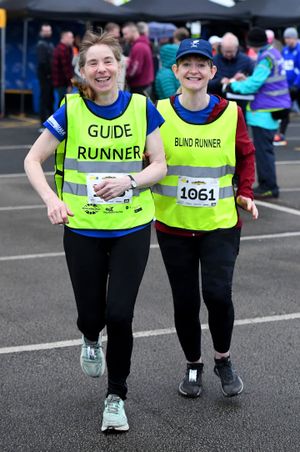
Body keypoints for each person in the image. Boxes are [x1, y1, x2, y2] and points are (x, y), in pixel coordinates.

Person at [24, 31, 166, 433]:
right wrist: (52, 200)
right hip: (83, 227)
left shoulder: (141, 107)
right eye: (92, 63)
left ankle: (116, 397)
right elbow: (32, 160)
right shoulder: (71, 110)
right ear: (82, 71)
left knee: (120, 314)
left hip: (131, 225)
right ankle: (89, 337)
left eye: (108, 61)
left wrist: (131, 181)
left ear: (120, 66)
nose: (101, 69)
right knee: (93, 315)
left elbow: (160, 164)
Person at [152, 38, 258, 399]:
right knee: (185, 301)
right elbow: (143, 160)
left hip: (220, 224)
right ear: (175, 71)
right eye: (187, 64)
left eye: (201, 64)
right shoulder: (157, 112)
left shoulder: (231, 113)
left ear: (213, 71)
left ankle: (223, 359)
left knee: (217, 295)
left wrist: (245, 190)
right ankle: (193, 365)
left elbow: (246, 155)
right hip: (173, 225)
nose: (194, 70)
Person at [226, 27, 291, 199]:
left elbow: (255, 84)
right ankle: (267, 184)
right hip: (273, 108)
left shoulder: (265, 58)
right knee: (265, 151)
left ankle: (268, 186)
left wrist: (233, 85)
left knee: (263, 152)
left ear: (251, 44)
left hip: (264, 111)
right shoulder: (274, 53)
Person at [208, 32, 254, 117]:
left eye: (231, 52)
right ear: (221, 48)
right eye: (226, 52)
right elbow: (205, 83)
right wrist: (219, 81)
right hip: (218, 105)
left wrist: (246, 79)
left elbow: (255, 81)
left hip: (240, 106)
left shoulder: (246, 60)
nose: (228, 54)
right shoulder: (213, 61)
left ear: (236, 48)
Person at [274, 27, 300, 146]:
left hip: (296, 86)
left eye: (290, 38)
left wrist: (296, 84)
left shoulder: (299, 50)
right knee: (285, 109)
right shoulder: (284, 51)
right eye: (286, 38)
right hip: (288, 87)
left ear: (295, 38)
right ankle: (281, 135)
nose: (287, 40)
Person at [122, 22, 154, 96]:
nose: (124, 37)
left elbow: (135, 70)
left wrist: (125, 76)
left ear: (133, 32)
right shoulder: (141, 44)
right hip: (143, 85)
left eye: (126, 34)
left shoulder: (139, 46)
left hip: (140, 86)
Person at [36, 24, 54, 133]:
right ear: (41, 32)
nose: (47, 33)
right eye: (45, 31)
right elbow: (42, 62)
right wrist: (48, 74)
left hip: (51, 77)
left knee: (50, 100)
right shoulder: (41, 44)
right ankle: (43, 124)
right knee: (44, 99)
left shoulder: (50, 44)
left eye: (49, 31)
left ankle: (51, 123)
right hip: (45, 77)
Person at [52, 30, 74, 110]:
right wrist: (69, 83)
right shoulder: (63, 49)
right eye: (71, 37)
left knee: (61, 102)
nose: (73, 39)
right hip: (62, 82)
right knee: (62, 103)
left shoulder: (60, 48)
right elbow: (66, 69)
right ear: (65, 38)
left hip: (60, 82)